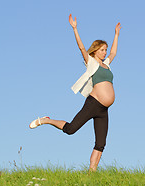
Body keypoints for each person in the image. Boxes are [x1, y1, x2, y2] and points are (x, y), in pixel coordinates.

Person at [29, 14, 121, 171]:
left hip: (104, 109)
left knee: (101, 143)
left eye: (105, 50)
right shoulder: (91, 63)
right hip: (93, 104)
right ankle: (45, 120)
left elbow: (114, 53)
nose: (105, 53)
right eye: (102, 50)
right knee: (71, 129)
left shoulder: (107, 65)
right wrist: (75, 28)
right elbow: (81, 47)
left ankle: (92, 174)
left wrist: (116, 34)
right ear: (96, 50)